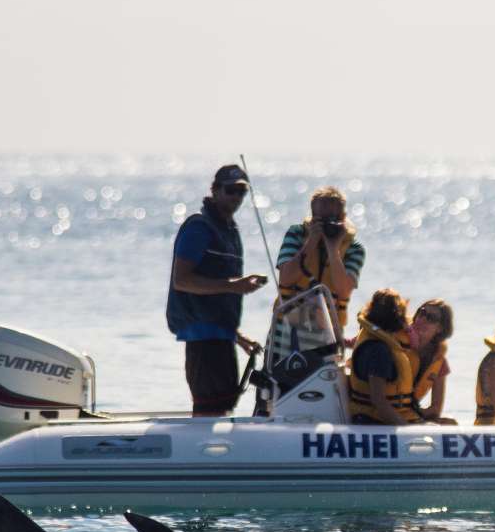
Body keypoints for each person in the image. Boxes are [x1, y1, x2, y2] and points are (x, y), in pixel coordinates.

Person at [166, 165, 269, 415]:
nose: (236, 197)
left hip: (222, 335)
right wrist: (236, 285)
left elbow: (220, 298)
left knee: (225, 403)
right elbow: (182, 280)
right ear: (215, 190)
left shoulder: (228, 230)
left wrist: (240, 338)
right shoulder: (199, 227)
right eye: (231, 190)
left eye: (241, 192)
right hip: (201, 336)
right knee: (210, 406)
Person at [276, 186, 365, 335]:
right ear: (312, 217)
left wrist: (333, 250)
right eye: (323, 220)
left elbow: (344, 291)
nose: (329, 225)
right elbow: (285, 279)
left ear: (344, 218)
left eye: (335, 219)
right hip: (287, 326)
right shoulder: (297, 234)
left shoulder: (354, 248)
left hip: (329, 331)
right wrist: (311, 242)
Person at [346, 289, 422, 425]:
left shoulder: (371, 337)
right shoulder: (378, 350)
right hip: (374, 422)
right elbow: (379, 401)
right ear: (399, 319)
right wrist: (408, 431)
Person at [407, 299, 458, 425]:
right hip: (382, 410)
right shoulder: (397, 343)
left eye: (431, 318)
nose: (422, 319)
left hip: (410, 412)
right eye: (422, 312)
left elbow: (435, 408)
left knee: (450, 424)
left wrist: (416, 413)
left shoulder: (439, 362)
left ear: (440, 328)